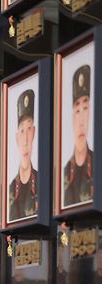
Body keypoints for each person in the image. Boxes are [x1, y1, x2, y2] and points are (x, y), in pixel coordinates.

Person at [64, 65, 93, 207]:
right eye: (77, 110)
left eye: (85, 109)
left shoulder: (96, 165)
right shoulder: (64, 172)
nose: (81, 120)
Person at [8, 91, 38, 221]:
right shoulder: (10, 189)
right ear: (17, 137)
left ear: (34, 132)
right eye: (22, 130)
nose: (25, 139)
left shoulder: (41, 182)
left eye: (29, 129)